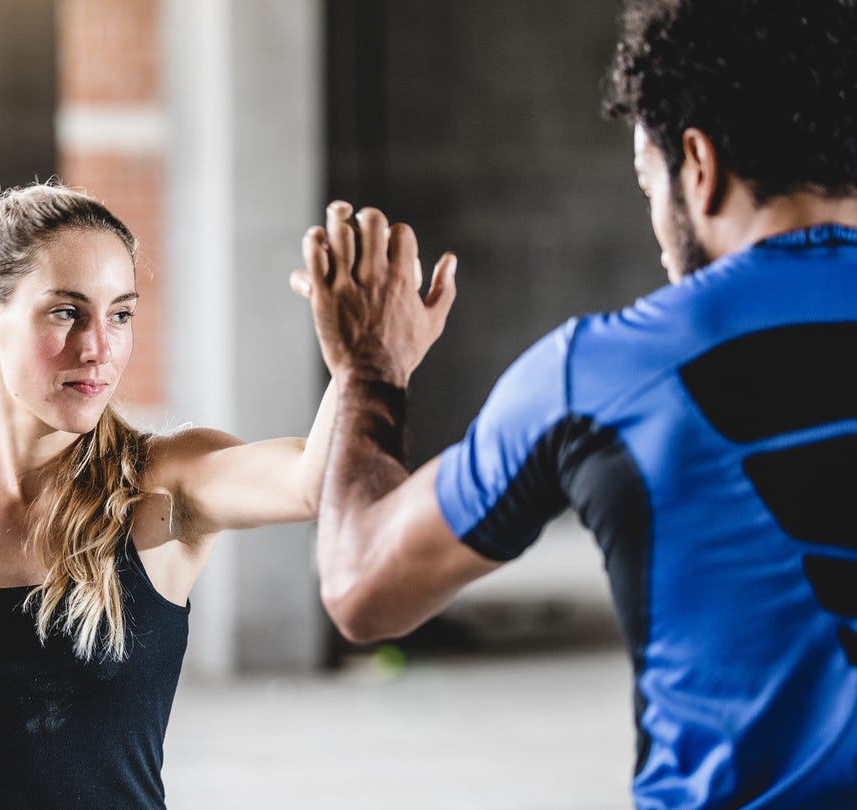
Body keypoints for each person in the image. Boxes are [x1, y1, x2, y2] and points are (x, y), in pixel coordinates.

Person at [296, 0, 857, 807]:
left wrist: (370, 368)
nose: (659, 231)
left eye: (647, 182)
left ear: (697, 165)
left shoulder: (601, 372)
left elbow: (360, 585)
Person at [0, 181, 344, 808]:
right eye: (66, 312)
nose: (99, 348)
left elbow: (316, 480)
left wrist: (362, 366)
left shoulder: (165, 481)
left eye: (121, 314)